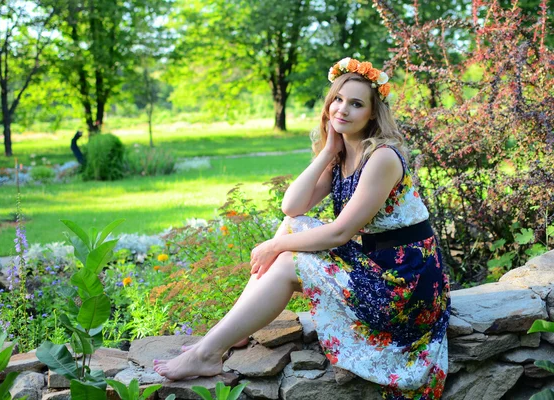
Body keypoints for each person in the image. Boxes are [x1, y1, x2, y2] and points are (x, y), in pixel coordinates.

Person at [154, 57, 450, 399]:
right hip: (378, 265)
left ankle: (207, 354)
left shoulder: (381, 157)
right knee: (292, 225)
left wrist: (275, 247)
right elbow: (292, 207)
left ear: (372, 113)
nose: (343, 109)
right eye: (337, 100)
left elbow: (340, 233)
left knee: (285, 259)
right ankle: (230, 334)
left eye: (356, 104)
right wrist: (327, 152)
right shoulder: (342, 154)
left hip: (403, 284)